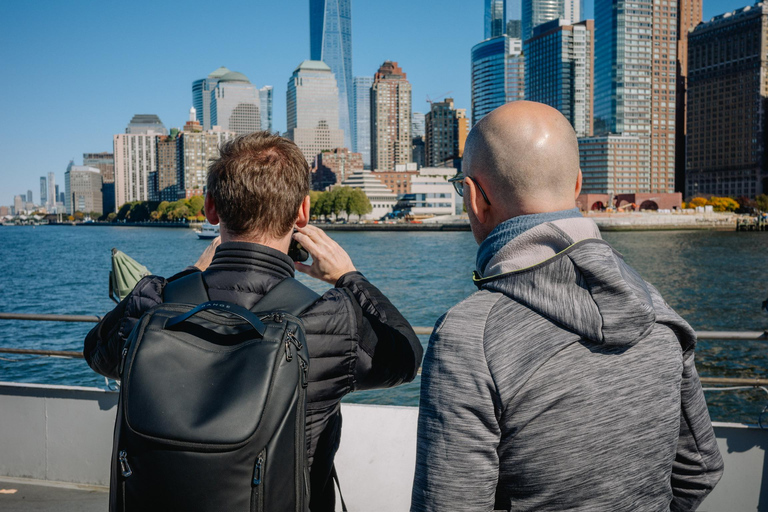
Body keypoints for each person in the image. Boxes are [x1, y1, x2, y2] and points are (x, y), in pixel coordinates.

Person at [84, 131, 423, 512]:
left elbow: (96, 351)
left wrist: (189, 275)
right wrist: (350, 277)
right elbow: (407, 357)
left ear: (211, 208)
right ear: (303, 212)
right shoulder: (332, 320)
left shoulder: (153, 303)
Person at [410, 101, 723, 512]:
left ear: (473, 197)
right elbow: (700, 469)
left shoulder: (467, 338)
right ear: (577, 185)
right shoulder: (658, 310)